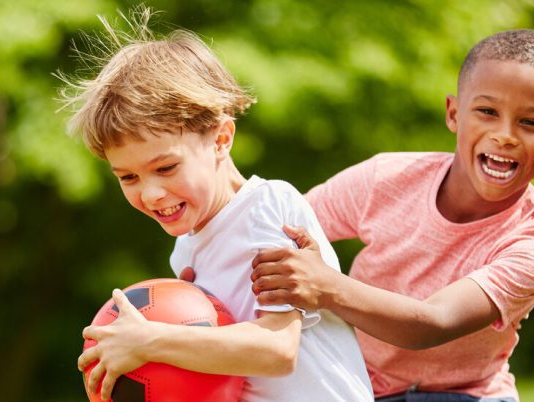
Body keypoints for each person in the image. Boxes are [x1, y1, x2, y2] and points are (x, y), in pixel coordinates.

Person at [58, 6, 373, 402]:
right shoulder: (186, 252)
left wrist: (150, 340)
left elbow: (277, 350)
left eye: (167, 167)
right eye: (128, 177)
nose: (151, 193)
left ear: (221, 139)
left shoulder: (266, 208)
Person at [249, 29, 534, 402]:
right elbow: (275, 227)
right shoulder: (387, 179)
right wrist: (208, 277)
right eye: (487, 112)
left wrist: (326, 286)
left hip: (466, 394)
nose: (506, 135)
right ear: (453, 113)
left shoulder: (526, 238)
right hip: (355, 383)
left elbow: (435, 322)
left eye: (529, 122)